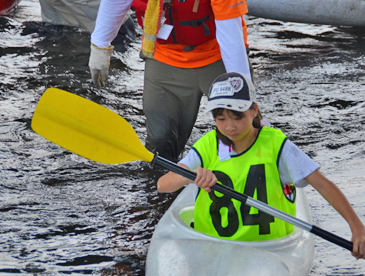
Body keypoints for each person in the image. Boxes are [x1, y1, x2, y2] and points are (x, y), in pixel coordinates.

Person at [157, 72, 365, 259]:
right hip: (210, 245)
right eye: (221, 119)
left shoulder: (276, 146)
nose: (229, 127)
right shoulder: (207, 145)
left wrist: (357, 228)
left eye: (237, 117)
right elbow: (163, 185)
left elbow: (322, 184)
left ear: (254, 110)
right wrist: (192, 175)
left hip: (268, 250)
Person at [88, 0, 252, 161]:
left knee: (240, 131)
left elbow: (231, 36)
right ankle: (165, 184)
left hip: (218, 56)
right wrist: (100, 44)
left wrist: (241, 90)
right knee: (160, 142)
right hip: (165, 56)